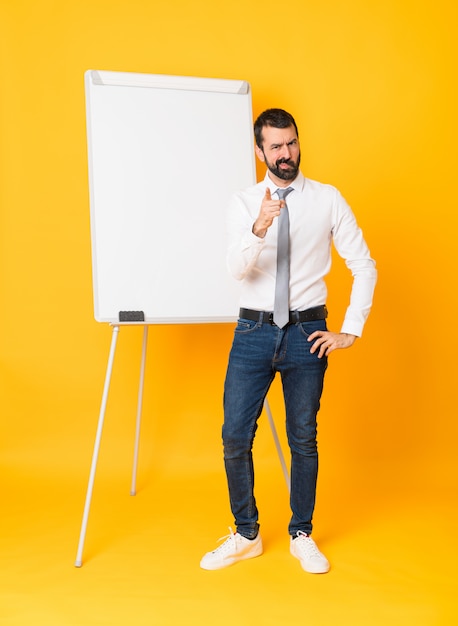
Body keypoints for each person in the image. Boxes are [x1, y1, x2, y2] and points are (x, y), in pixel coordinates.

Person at [200, 108, 377, 574]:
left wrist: (350, 329)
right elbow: (237, 270)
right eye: (275, 146)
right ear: (260, 151)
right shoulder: (242, 202)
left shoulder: (327, 199)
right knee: (235, 436)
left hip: (306, 334)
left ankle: (302, 533)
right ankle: (246, 533)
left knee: (304, 438)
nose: (286, 153)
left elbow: (364, 265)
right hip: (253, 332)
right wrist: (260, 226)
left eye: (291, 143)